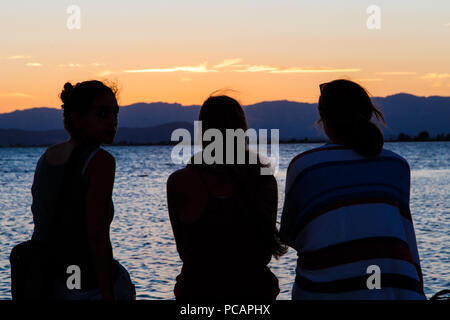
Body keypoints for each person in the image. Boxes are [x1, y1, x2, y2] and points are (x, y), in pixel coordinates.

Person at [280, 79, 426, 300]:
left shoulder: (305, 166)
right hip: (400, 291)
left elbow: (289, 236)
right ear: (368, 114)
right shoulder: (396, 165)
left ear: (323, 118)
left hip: (326, 293)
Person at [167, 95, 287, 301]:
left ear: (203, 132)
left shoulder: (180, 181)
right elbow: (265, 246)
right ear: (242, 131)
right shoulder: (264, 180)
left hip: (198, 291)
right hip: (255, 291)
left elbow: (184, 250)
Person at [23, 80, 135, 300]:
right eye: (102, 114)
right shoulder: (100, 161)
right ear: (77, 118)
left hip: (48, 281)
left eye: (115, 113)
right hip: (86, 284)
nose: (113, 121)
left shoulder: (47, 157)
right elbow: (96, 235)